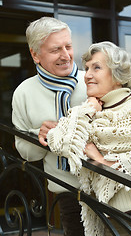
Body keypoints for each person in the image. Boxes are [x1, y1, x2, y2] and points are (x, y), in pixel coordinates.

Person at [47, 41, 131, 236]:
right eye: (87, 68)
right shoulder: (86, 115)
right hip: (109, 220)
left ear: (118, 75)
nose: (88, 75)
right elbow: (58, 142)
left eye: (96, 68)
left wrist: (103, 161)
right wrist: (88, 109)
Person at [12, 16, 87, 236]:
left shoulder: (94, 80)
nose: (66, 56)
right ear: (35, 54)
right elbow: (25, 152)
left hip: (110, 189)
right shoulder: (23, 93)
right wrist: (40, 136)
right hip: (67, 194)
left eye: (69, 46)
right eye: (56, 50)